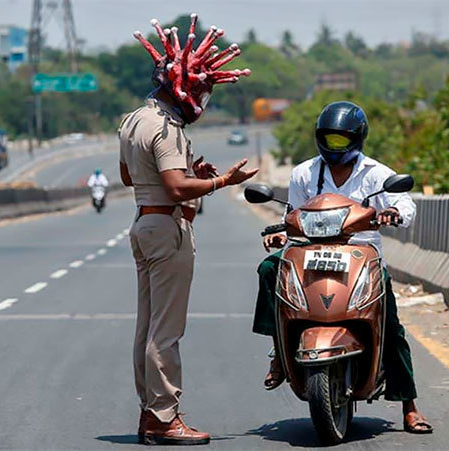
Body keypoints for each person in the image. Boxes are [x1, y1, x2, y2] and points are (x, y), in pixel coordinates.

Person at [252, 101, 433, 434]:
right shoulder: (304, 173)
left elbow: (405, 204)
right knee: (269, 269)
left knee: (390, 325)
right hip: (309, 252)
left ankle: (409, 406)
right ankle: (280, 351)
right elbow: (290, 215)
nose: (335, 146)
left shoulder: (377, 174)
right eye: (329, 139)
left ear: (358, 138)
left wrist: (393, 213)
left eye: (342, 139)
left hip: (360, 255)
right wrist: (280, 233)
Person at [119, 14, 257, 446]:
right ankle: (164, 417)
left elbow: (129, 176)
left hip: (143, 224)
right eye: (200, 91)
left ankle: (150, 412)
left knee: (147, 326)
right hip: (166, 229)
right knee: (167, 330)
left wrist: (191, 171)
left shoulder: (134, 120)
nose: (201, 99)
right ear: (186, 89)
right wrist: (219, 182)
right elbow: (177, 187)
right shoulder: (167, 128)